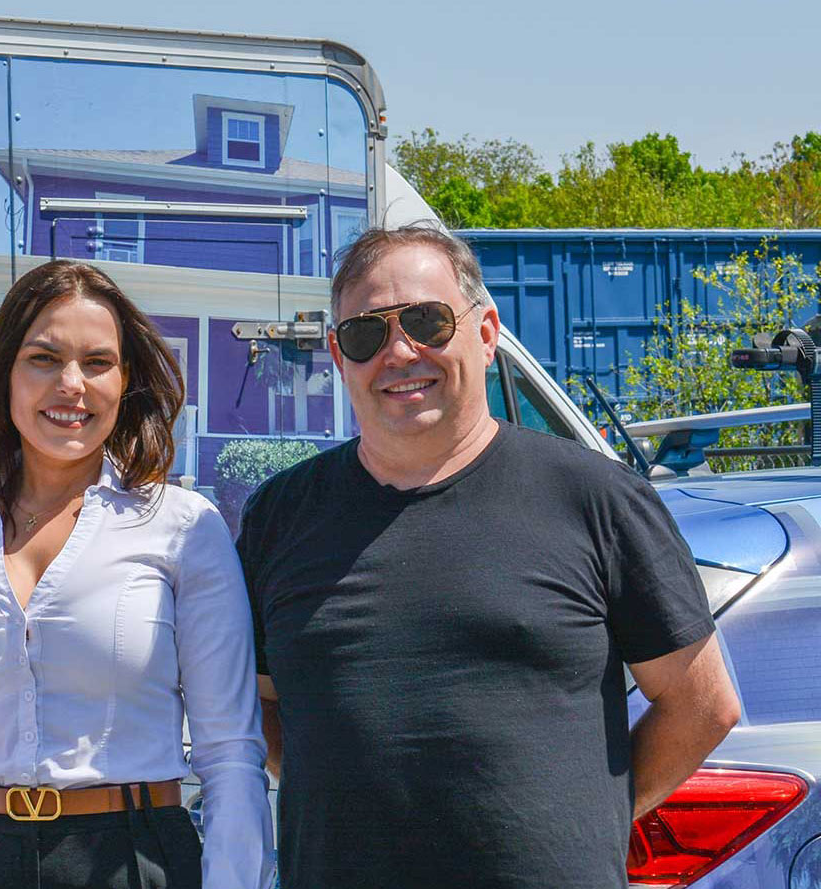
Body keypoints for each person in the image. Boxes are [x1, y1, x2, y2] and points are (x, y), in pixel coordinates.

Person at [241, 223, 742, 889]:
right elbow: (261, 706)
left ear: (485, 331)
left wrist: (594, 815)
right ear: (338, 357)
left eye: (427, 320)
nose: (399, 351)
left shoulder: (596, 498)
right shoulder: (281, 516)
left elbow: (704, 704)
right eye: (367, 333)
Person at [0, 260, 272, 889]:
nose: (71, 384)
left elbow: (229, 753)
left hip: (132, 858)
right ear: (4, 373)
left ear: (125, 380)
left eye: (97, 362)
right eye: (44, 358)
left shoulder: (182, 526)